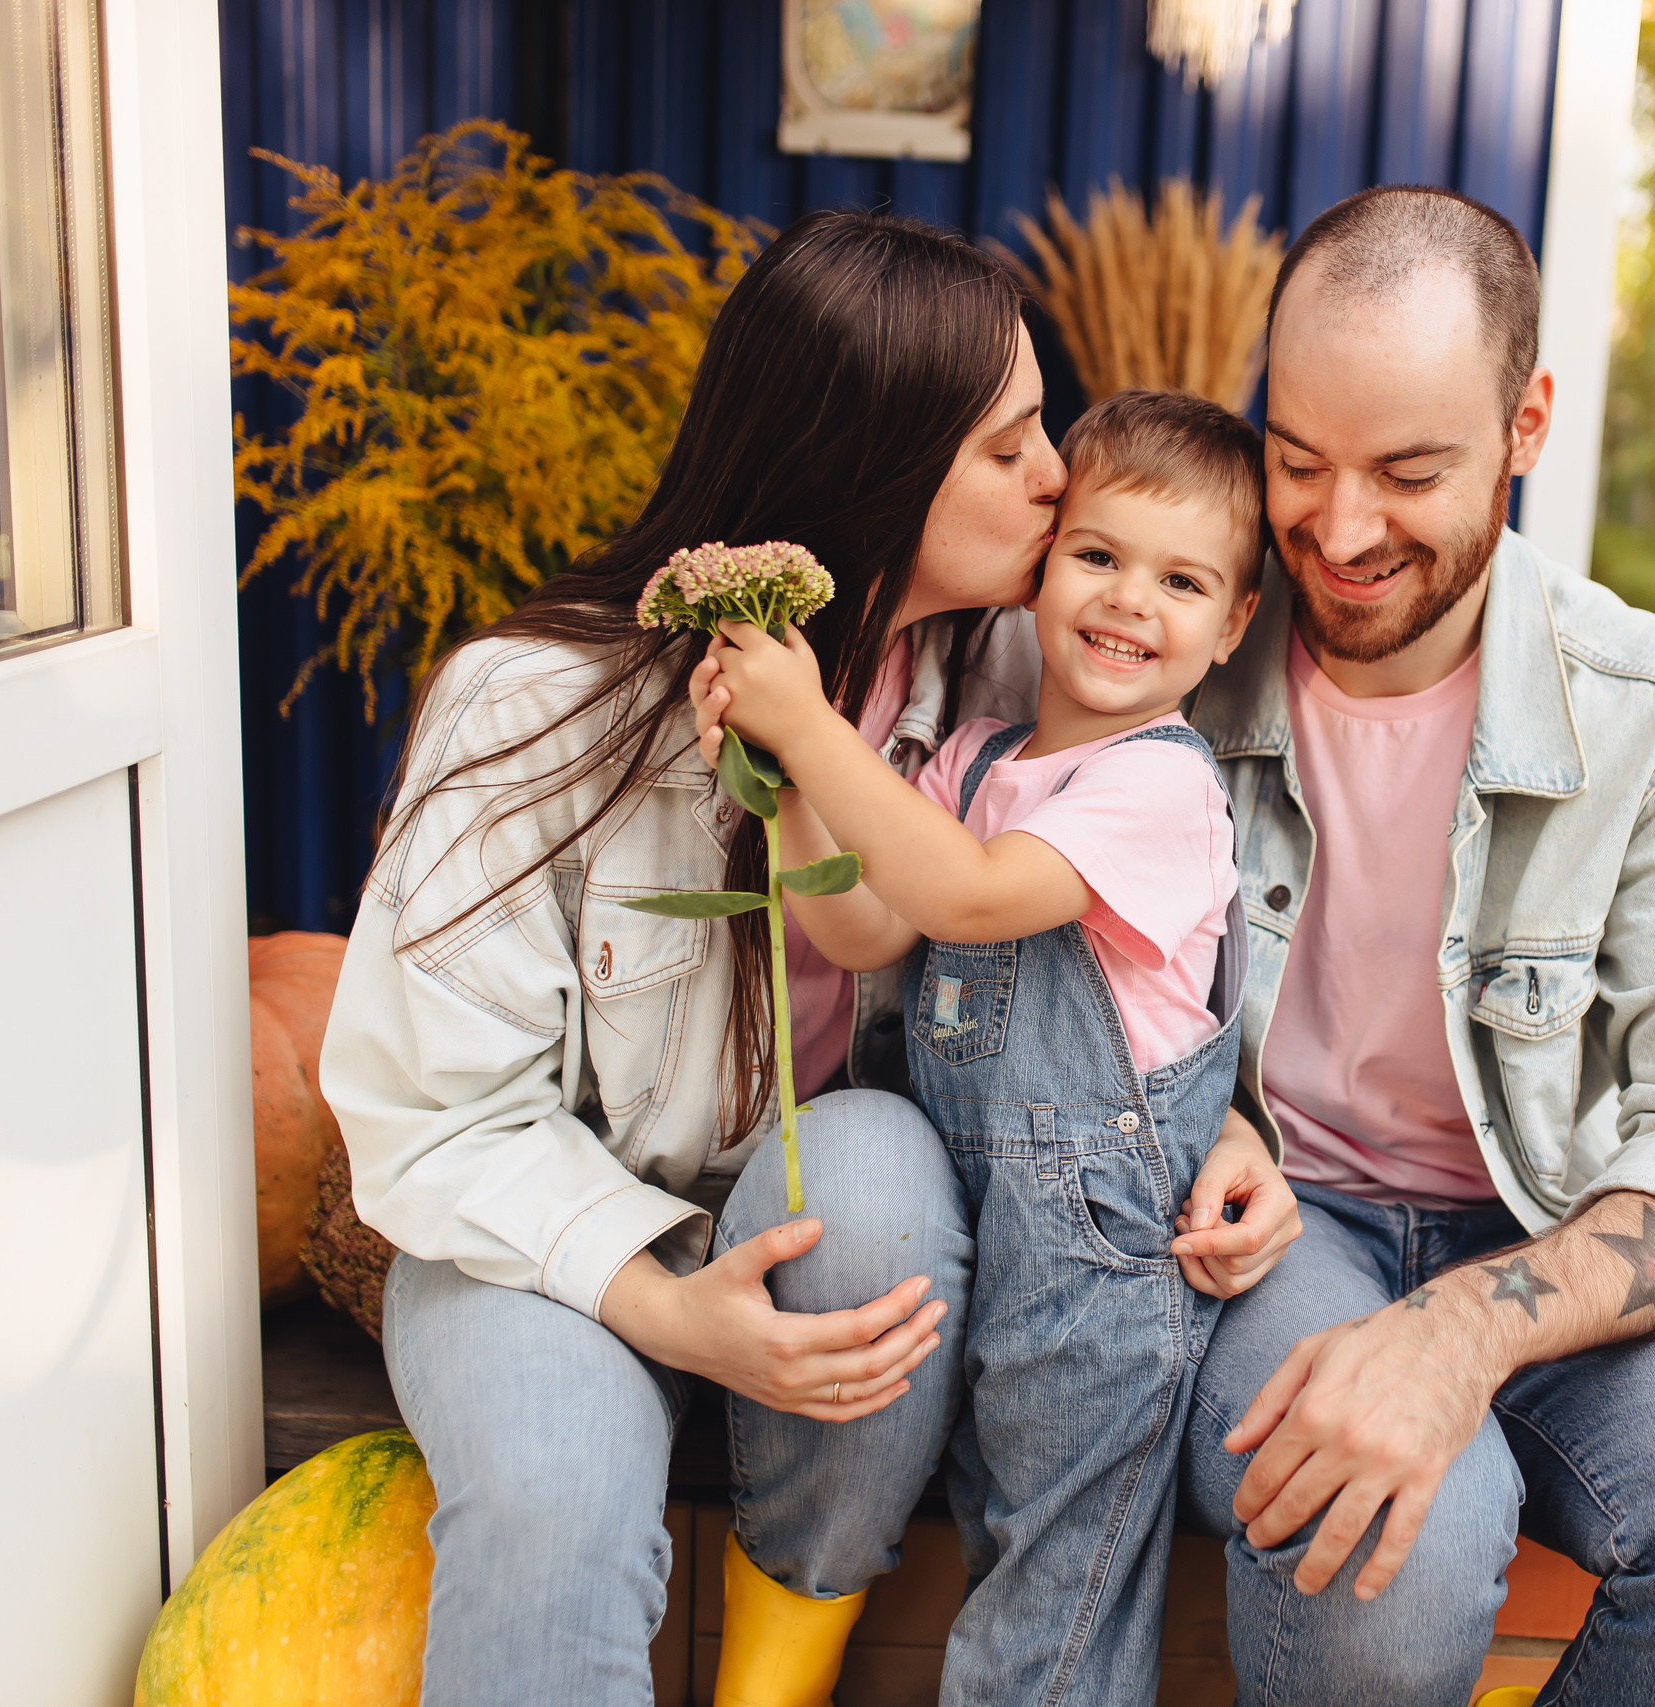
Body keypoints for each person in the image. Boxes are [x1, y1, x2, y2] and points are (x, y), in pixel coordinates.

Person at [318, 215, 1292, 1707]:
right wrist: (658, 1304)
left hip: (816, 1219)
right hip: (534, 1242)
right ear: (879, 467)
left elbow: (1121, 944)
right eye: (1015, 445)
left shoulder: (1013, 678)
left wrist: (1210, 1118)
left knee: (881, 1174)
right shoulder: (530, 710)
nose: (1060, 481)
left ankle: (770, 1670)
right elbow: (429, 1119)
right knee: (552, 1510)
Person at [1174, 186, 1655, 1706]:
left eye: (1409, 471)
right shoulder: (1170, 661)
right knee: (1383, 1539)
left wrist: (1461, 1332)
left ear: (1526, 425)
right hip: (1291, 1233)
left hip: (1557, 1230)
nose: (1341, 528)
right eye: (1297, 461)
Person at [694, 389, 1297, 1707]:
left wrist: (811, 728)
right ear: (1042, 569)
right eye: (1097, 556)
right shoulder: (973, 758)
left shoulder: (1162, 786)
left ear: (1233, 623)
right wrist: (788, 780)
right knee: (995, 1545)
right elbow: (862, 928)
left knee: (1052, 1608)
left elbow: (969, 896)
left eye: (1182, 580)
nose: (1129, 602)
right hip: (980, 1233)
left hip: (1098, 1267)